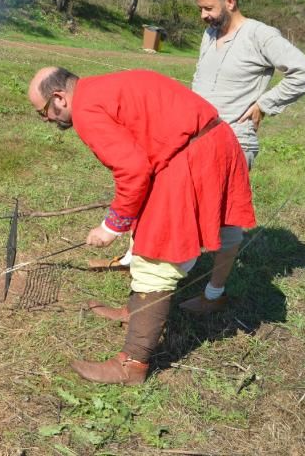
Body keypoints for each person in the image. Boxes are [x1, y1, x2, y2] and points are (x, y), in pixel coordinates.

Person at [28, 67, 256, 384]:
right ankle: (137, 313)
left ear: (59, 98)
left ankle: (132, 364)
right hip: (216, 142)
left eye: (43, 112)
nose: (46, 119)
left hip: (190, 156)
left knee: (156, 255)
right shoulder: (102, 86)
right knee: (155, 230)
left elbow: (134, 170)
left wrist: (112, 226)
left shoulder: (86, 110)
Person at [176, 0, 305, 314]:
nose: (203, 16)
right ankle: (158, 271)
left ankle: (214, 294)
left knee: (226, 220)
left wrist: (265, 104)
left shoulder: (259, 35)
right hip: (196, 139)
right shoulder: (210, 34)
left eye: (208, 8)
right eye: (199, 9)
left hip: (233, 143)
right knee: (180, 205)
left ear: (230, 2)